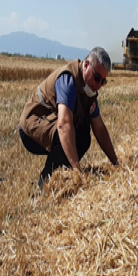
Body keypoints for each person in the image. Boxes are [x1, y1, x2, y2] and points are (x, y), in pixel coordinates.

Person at [19, 47, 118, 187]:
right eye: (97, 78)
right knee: (64, 135)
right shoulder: (69, 80)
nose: (99, 85)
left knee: (83, 137)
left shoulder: (90, 91)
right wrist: (78, 171)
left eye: (103, 81)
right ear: (85, 65)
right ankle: (45, 185)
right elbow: (63, 125)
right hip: (32, 125)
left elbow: (100, 129)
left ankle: (61, 175)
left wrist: (116, 164)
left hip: (52, 123)